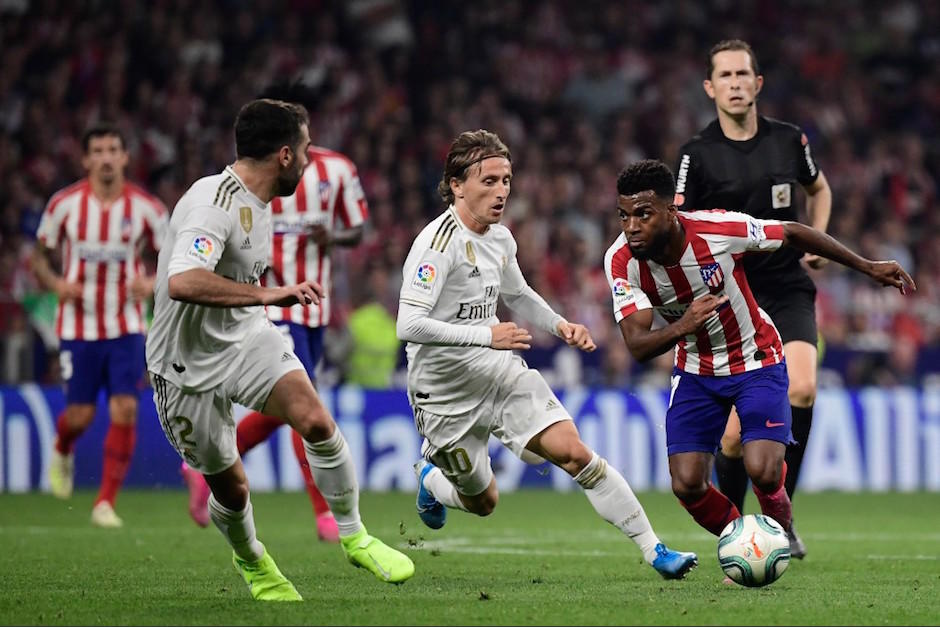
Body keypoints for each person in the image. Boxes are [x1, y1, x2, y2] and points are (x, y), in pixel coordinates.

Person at [398, 130, 698, 580]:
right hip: (443, 393)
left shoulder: (500, 238)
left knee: (575, 453)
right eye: (488, 181)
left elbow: (517, 293)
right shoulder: (436, 247)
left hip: (497, 373)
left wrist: (560, 325)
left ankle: (654, 549)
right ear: (456, 185)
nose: (501, 191)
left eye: (506, 180)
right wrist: (486, 335)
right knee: (483, 502)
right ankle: (430, 479)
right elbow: (408, 325)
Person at [146, 98, 413, 601]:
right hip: (184, 366)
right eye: (306, 150)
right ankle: (253, 561)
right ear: (285, 155)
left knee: (314, 419)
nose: (311, 161)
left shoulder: (261, 201)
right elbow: (183, 281)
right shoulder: (213, 204)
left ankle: (355, 536)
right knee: (232, 488)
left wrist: (260, 304)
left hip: (246, 337)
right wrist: (268, 295)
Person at [605, 159, 914, 576]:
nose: (632, 227)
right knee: (687, 484)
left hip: (756, 358)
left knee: (764, 472)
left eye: (643, 214)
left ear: (671, 210)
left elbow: (791, 232)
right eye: (624, 215)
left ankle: (779, 529)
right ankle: (750, 544)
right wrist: (685, 325)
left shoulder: (716, 230)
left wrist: (868, 266)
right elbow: (638, 346)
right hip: (695, 370)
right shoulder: (620, 260)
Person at [180, 97, 369, 542]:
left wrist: (333, 235)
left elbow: (357, 228)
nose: (304, 151)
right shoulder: (258, 180)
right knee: (306, 406)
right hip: (272, 303)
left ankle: (206, 463)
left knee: (288, 409)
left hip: (314, 306)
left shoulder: (337, 170)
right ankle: (326, 514)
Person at [674, 39, 833, 559]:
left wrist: (819, 241)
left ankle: (782, 515)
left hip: (785, 287)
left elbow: (819, 189)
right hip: (733, 301)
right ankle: (743, 529)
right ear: (710, 87)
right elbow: (678, 228)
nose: (736, 83)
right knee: (731, 441)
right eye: (725, 75)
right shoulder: (696, 155)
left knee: (803, 388)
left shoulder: (789, 139)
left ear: (758, 82)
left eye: (743, 74)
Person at [32, 122, 168, 528]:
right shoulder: (64, 204)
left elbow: (173, 258)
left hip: (127, 325)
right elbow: (38, 258)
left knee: (125, 408)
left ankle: (105, 502)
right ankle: (62, 446)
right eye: (98, 151)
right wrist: (57, 284)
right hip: (78, 326)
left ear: (125, 157)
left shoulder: (148, 209)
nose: (106, 158)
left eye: (113, 150)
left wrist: (152, 282)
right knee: (80, 415)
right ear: (86, 159)